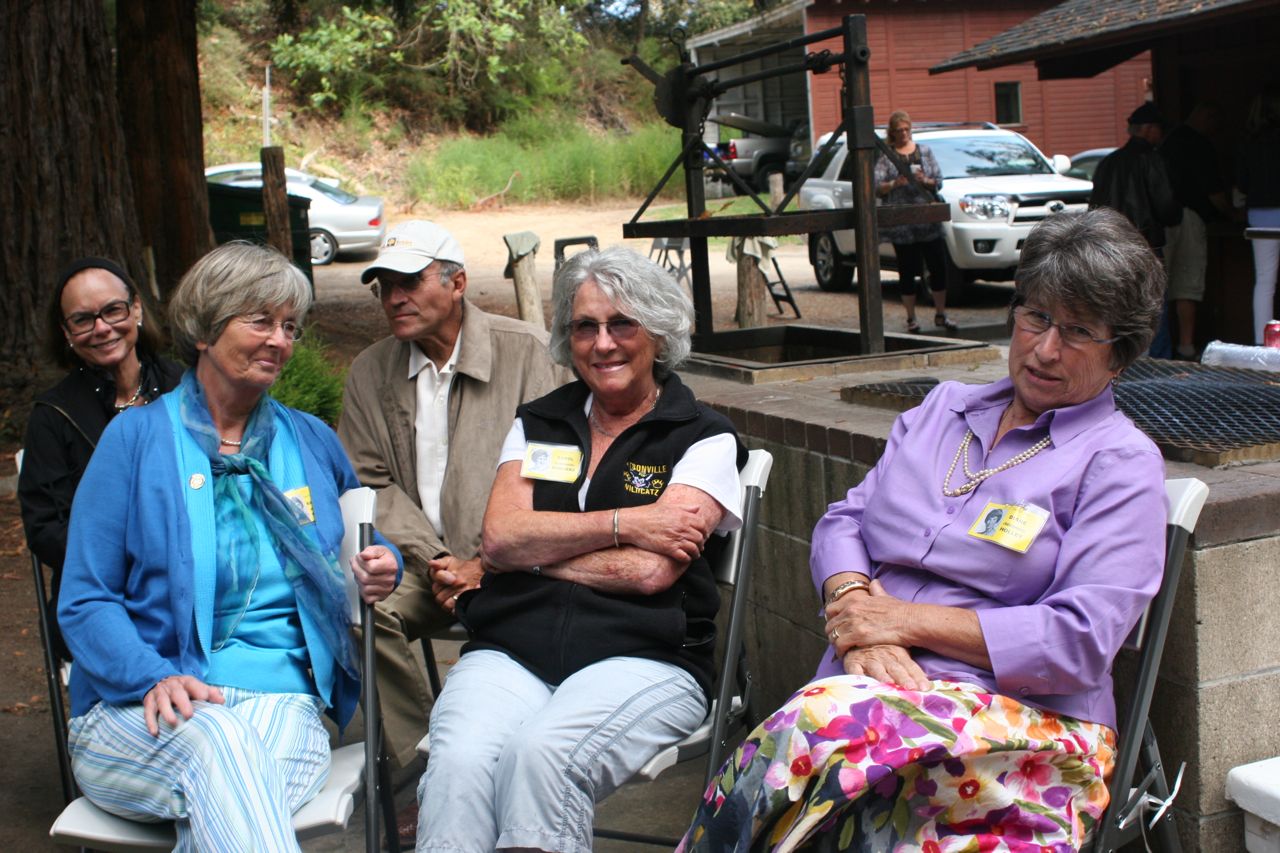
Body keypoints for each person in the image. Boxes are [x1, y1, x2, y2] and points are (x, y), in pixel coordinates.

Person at [677, 209, 1168, 852]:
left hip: (1022, 726)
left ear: (1120, 353)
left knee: (805, 742)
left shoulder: (1118, 462)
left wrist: (898, 622)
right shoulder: (943, 411)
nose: (1047, 349)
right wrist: (852, 604)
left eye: (1078, 331)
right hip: (870, 694)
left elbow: (1080, 640)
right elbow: (846, 521)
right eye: (1037, 317)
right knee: (817, 772)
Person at [57, 242, 402, 850]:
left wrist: (385, 564)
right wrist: (150, 676)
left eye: (290, 326)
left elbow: (365, 537)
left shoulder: (310, 441)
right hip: (141, 707)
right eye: (261, 321)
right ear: (206, 330)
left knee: (228, 780)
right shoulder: (134, 441)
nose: (280, 340)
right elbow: (86, 599)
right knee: (217, 746)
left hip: (282, 702)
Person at [417, 246, 747, 852]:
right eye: (584, 327)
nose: (603, 344)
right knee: (460, 763)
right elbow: (499, 537)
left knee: (542, 756)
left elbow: (650, 572)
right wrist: (627, 520)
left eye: (622, 323)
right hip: (511, 648)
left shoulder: (704, 437)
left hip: (646, 657)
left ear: (659, 333)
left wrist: (526, 551)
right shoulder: (538, 421)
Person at [337, 219, 564, 838]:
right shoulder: (371, 370)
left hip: (518, 564)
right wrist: (437, 557)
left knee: (513, 643)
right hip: (420, 564)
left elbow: (560, 478)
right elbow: (368, 479)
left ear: (457, 282)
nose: (394, 299)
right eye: (383, 286)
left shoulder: (528, 353)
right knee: (358, 610)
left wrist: (483, 563)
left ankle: (485, 769)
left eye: (409, 282)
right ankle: (427, 769)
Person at [19, 258, 183, 661]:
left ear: (137, 309)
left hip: (195, 582)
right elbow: (46, 530)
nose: (102, 328)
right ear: (66, 333)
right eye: (83, 319)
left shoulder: (186, 388)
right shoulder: (53, 415)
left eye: (113, 310)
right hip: (104, 598)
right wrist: (135, 566)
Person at [1090, 101, 1182, 358]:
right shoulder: (1151, 159)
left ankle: (1117, 360)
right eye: (1159, 129)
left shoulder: (1108, 162)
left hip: (1109, 246)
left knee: (1116, 307)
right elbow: (1166, 208)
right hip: (1145, 245)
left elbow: (1094, 208)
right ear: (1149, 129)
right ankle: (1159, 363)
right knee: (1153, 308)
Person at [874, 110, 957, 334]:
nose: (903, 134)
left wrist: (925, 180)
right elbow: (876, 186)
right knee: (907, 270)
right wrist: (894, 184)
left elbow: (938, 181)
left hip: (928, 220)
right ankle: (911, 318)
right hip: (902, 223)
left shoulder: (925, 152)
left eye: (906, 129)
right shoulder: (887, 156)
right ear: (892, 132)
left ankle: (941, 313)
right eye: (899, 130)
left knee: (937, 267)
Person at [1162, 102, 1232, 359]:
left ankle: (1160, 348)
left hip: (1164, 219)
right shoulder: (1201, 145)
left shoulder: (1168, 143)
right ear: (1205, 117)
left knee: (1161, 285)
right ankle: (1186, 345)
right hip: (1190, 216)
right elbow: (1215, 193)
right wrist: (1233, 214)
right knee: (1187, 283)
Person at [1237, 88, 1280, 344]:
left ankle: (1262, 344)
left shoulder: (1248, 142)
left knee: (1264, 281)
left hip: (1260, 213)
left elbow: (1242, 184)